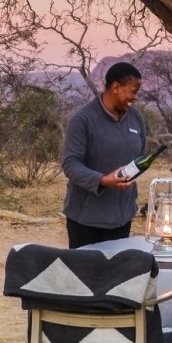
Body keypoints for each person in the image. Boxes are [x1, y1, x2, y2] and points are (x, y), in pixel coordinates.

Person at [59, 62, 149, 248]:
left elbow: (140, 156)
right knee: (86, 275)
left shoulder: (136, 118)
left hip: (122, 217)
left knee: (116, 275)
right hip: (86, 220)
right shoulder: (83, 119)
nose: (136, 97)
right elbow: (70, 164)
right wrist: (103, 180)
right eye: (133, 91)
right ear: (116, 87)